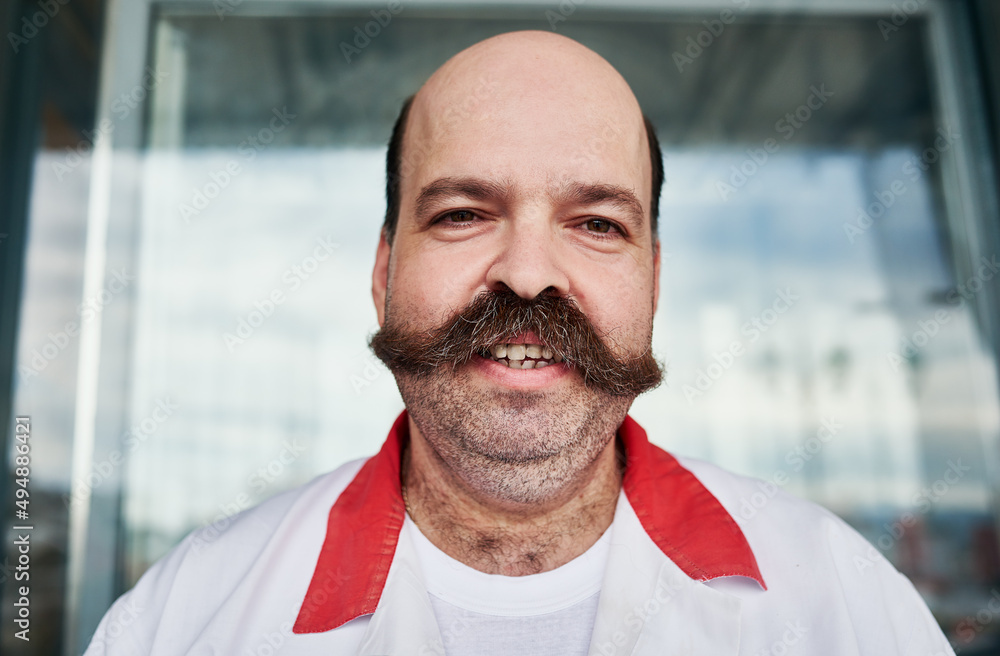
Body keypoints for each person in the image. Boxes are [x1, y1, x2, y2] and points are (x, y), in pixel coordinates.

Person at [85, 30, 954, 656]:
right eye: (463, 214)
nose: (530, 274)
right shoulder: (187, 618)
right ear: (384, 270)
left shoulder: (844, 602)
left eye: (597, 223)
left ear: (654, 278)